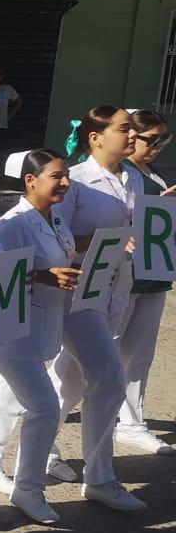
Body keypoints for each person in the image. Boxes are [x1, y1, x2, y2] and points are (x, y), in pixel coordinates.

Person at [42, 106, 147, 510]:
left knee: (67, 384)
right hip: (78, 296)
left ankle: (37, 455)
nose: (133, 138)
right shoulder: (77, 182)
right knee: (109, 380)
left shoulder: (133, 177)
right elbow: (58, 238)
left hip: (116, 291)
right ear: (95, 137)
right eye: (125, 130)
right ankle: (100, 476)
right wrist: (109, 240)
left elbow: (137, 229)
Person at [0, 150, 80, 523]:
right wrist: (45, 275)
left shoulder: (57, 217)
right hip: (13, 331)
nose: (65, 182)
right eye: (56, 176)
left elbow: (60, 257)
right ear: (30, 180)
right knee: (45, 407)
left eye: (66, 175)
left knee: (10, 399)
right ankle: (28, 488)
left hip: (43, 325)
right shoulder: (13, 224)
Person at [116, 110, 175, 455]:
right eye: (151, 139)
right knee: (94, 355)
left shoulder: (154, 176)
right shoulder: (119, 174)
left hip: (154, 273)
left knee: (138, 354)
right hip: (122, 274)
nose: (158, 146)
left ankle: (131, 423)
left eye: (163, 140)